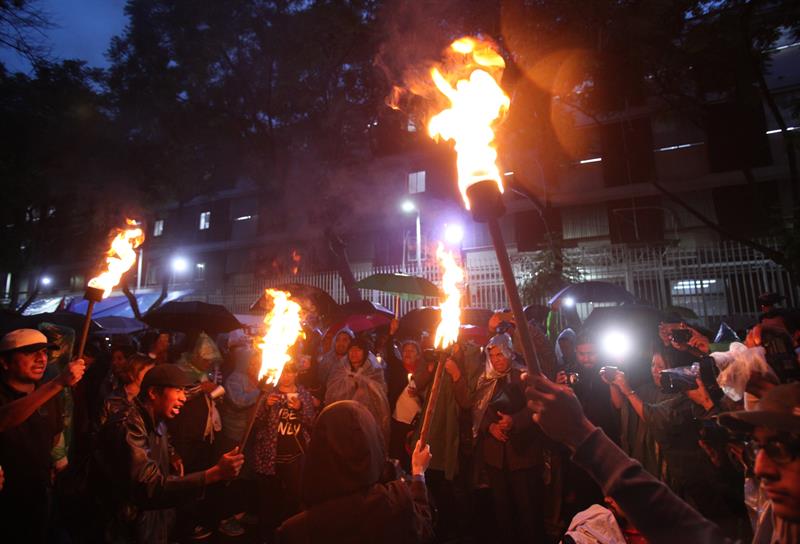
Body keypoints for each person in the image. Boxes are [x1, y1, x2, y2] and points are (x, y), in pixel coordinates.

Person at [96, 364, 244, 543]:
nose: (183, 397)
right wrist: (214, 474)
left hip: (151, 521)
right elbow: (148, 487)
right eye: (178, 391)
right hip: (127, 528)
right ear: (153, 393)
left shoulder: (157, 419)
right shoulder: (128, 426)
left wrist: (172, 454)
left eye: (184, 391)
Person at [277, 400, 434, 543]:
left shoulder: (294, 532)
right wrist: (418, 472)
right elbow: (423, 527)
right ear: (372, 444)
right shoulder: (396, 504)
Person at [0, 329, 85, 543]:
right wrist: (57, 383)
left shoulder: (49, 395)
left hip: (40, 496)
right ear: (5, 362)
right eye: (30, 353)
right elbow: (6, 419)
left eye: (45, 352)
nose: (41, 359)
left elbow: (55, 434)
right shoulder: (47, 389)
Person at [473, 333, 545, 542]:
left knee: (527, 509)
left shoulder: (523, 377)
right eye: (492, 355)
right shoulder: (485, 380)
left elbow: (536, 407)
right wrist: (490, 427)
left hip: (522, 455)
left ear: (509, 353)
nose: (496, 359)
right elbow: (478, 410)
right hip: (496, 457)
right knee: (502, 509)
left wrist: (515, 421)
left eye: (500, 354)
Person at [251, 361, 316, 541]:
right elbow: (257, 423)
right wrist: (266, 406)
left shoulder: (303, 393)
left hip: (295, 455)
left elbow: (312, 421)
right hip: (270, 454)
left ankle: (289, 534)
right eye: (283, 372)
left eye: (290, 373)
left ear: (296, 374)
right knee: (269, 499)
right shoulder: (270, 393)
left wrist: (300, 408)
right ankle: (266, 535)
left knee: (294, 498)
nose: (286, 376)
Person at [325, 336, 391, 444]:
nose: (354, 352)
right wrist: (349, 383)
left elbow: (381, 394)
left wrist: (363, 385)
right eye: (351, 349)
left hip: (366, 421)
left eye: (358, 349)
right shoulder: (340, 369)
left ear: (365, 352)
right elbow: (332, 393)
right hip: (343, 419)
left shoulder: (374, 372)